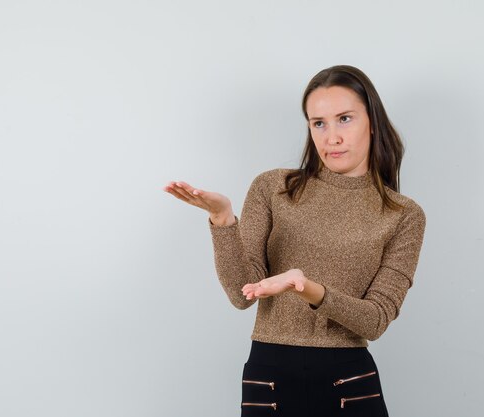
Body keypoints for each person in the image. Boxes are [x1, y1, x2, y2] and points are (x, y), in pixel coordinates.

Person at [163, 65, 426, 417]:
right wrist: (223, 220)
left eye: (344, 119)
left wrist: (307, 287)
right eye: (318, 123)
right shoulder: (273, 188)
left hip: (348, 382)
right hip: (269, 379)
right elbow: (242, 293)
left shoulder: (403, 214)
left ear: (372, 121)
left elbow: (375, 320)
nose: (331, 136)